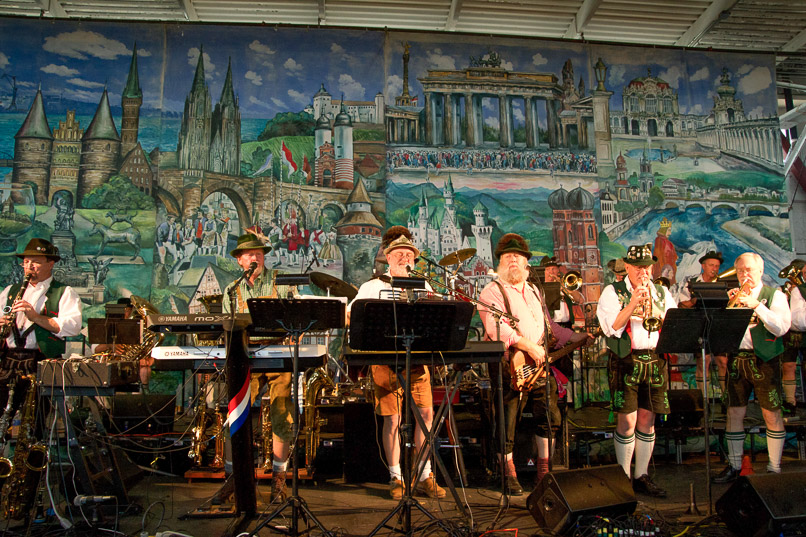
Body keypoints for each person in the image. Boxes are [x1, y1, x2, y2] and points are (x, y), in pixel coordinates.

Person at [478, 234, 583, 495]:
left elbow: (549, 326)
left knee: (548, 416)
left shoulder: (535, 291)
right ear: (500, 262)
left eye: (518, 256)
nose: (513, 260)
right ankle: (508, 473)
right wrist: (529, 346)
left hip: (539, 364)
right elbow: (497, 328)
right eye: (507, 257)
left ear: (527, 262)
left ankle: (544, 472)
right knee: (507, 420)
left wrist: (576, 337)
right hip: (508, 363)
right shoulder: (492, 291)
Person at [347, 227, 446, 500]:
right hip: (385, 363)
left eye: (409, 255)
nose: (405, 258)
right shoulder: (373, 286)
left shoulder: (423, 286)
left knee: (425, 417)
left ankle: (424, 475)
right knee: (393, 420)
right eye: (399, 254)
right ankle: (396, 477)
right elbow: (350, 316)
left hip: (417, 362)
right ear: (388, 258)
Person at [597, 243, 676, 498]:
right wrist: (632, 304)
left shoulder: (661, 292)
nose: (643, 272)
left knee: (647, 420)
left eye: (647, 267)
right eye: (638, 267)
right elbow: (612, 328)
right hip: (626, 360)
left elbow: (673, 324)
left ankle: (641, 475)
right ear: (628, 267)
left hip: (654, 359)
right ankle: (623, 476)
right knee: (627, 421)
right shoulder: (612, 291)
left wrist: (658, 312)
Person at [221, 233, 295, 501]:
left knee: (282, 415)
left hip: (277, 353)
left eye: (259, 254)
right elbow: (227, 326)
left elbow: (295, 313)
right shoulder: (232, 289)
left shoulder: (280, 280)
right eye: (250, 255)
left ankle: (279, 479)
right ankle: (235, 479)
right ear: (240, 261)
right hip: (246, 356)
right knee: (235, 417)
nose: (256, 258)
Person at [712, 252, 791, 483]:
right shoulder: (734, 295)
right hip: (738, 358)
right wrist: (729, 309)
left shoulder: (774, 295)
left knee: (771, 413)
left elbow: (781, 328)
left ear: (760, 271)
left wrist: (756, 305)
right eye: (740, 271)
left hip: (765, 359)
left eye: (748, 270)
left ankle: (774, 467)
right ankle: (735, 465)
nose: (744, 274)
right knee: (734, 412)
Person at [0, 238, 82, 436]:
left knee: (35, 421)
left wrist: (35, 317)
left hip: (41, 361)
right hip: (9, 361)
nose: (29, 266)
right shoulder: (10, 291)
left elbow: (72, 327)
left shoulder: (64, 292)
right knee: (2, 416)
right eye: (26, 262)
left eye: (36, 262)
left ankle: (33, 453)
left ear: (50, 263)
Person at [677, 251, 728, 395]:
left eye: (717, 266)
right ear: (703, 266)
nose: (714, 269)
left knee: (723, 362)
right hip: (699, 326)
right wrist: (694, 301)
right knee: (703, 361)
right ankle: (703, 397)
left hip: (718, 327)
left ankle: (725, 396)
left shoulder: (722, 283)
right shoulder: (691, 283)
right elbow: (681, 305)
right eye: (711, 265)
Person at [781, 258, 806, 413]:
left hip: (805, 333)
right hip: (790, 333)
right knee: (788, 365)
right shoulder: (788, 289)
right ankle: (791, 402)